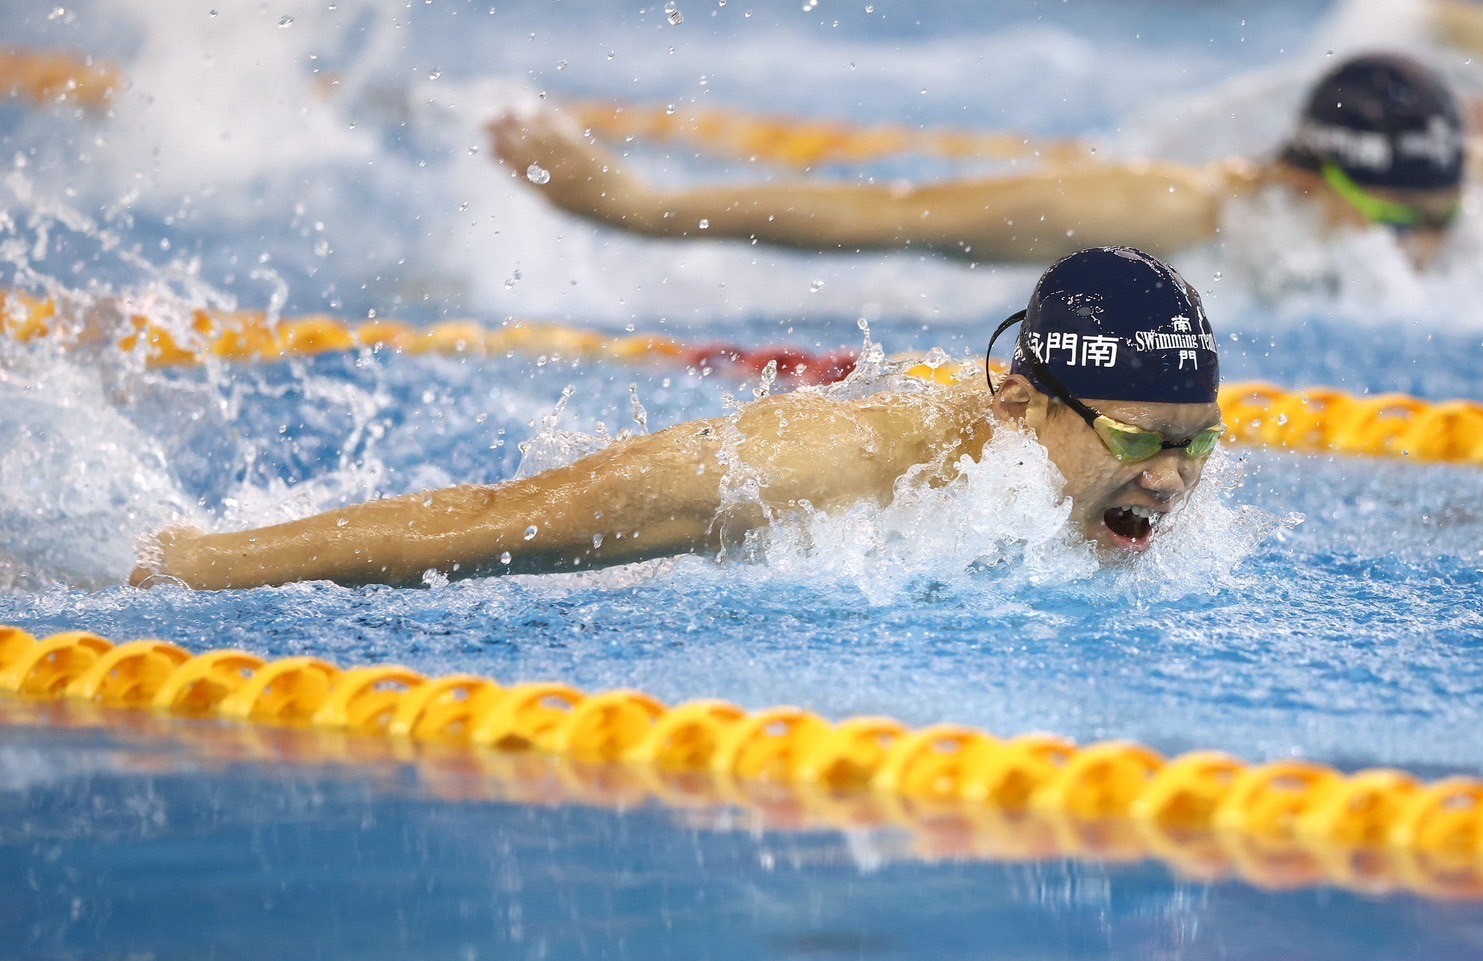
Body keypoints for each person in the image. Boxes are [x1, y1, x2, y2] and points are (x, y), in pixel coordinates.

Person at [132, 247, 1226, 590]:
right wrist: (188, 567)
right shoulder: (829, 465)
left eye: (1194, 443)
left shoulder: (1111, 494)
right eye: (1138, 440)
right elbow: (499, 518)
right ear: (1020, 403)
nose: (1171, 482)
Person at [489, 51, 1483, 268]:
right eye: (1401, 225)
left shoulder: (1409, 193)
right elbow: (891, 216)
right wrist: (641, 207)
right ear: (1304, 180)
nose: (1431, 245)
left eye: (1443, 218)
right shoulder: (1156, 208)